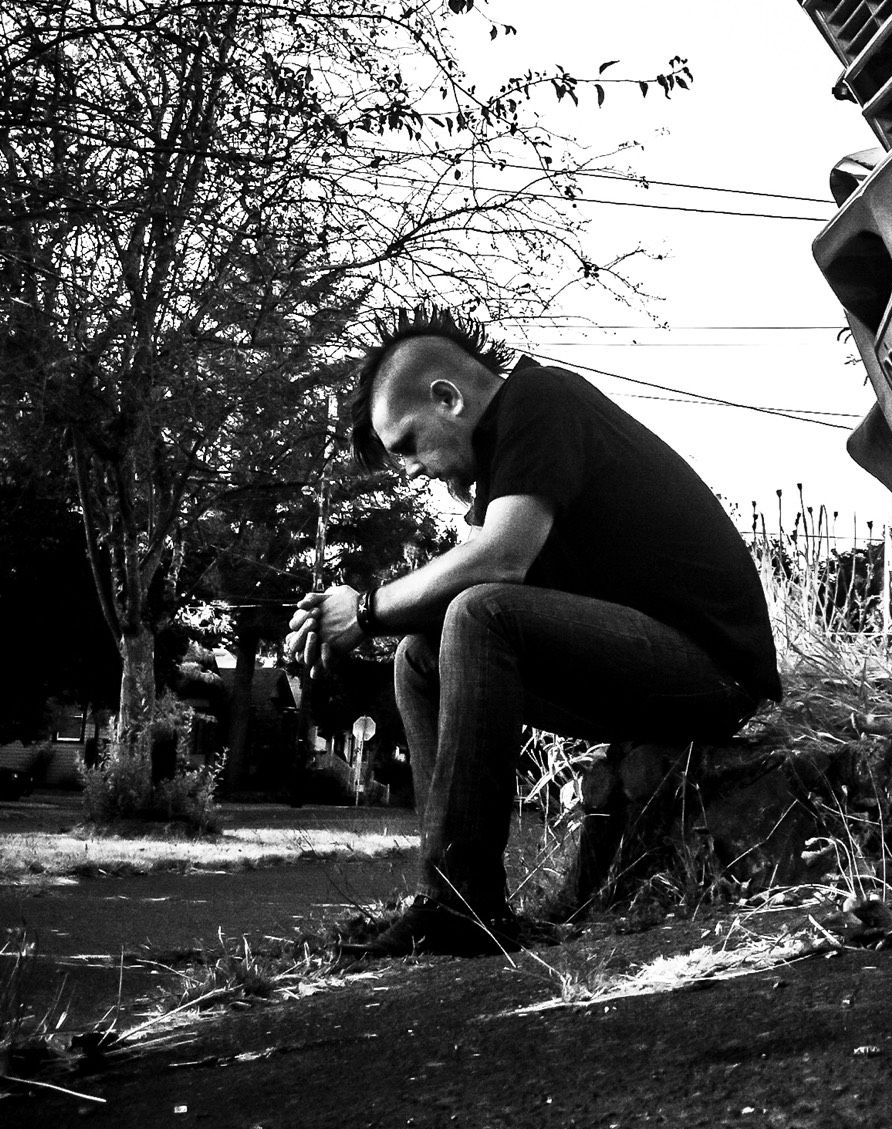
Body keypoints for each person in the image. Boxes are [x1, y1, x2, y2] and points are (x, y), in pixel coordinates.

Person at [285, 308, 780, 954]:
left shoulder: (541, 400)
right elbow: (484, 587)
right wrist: (349, 619)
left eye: (407, 445)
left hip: (716, 672)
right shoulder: (504, 470)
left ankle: (465, 908)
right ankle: (450, 897)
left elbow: (500, 559)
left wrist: (369, 608)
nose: (408, 470)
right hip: (642, 676)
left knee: (477, 611)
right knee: (419, 656)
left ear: (448, 397)